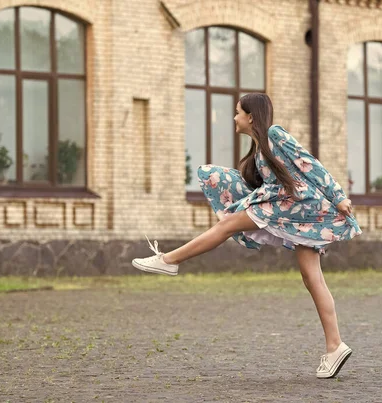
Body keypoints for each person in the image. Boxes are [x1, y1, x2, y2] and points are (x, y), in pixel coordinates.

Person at [132, 93, 362, 379]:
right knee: (311, 278)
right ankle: (335, 346)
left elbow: (309, 164)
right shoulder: (258, 151)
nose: (234, 117)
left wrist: (338, 197)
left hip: (294, 206)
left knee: (226, 226)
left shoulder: (275, 134)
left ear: (251, 116)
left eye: (238, 112)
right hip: (294, 211)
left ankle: (169, 260)